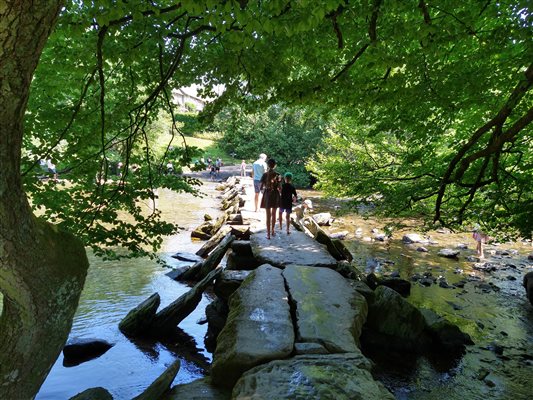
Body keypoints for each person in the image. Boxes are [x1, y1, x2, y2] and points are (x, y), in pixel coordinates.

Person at [260, 158, 281, 239]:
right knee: (274, 214)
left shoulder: (265, 175)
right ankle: (272, 231)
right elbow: (279, 188)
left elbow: (261, 187)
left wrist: (265, 187)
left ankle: (268, 234)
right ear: (275, 165)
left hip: (267, 195)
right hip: (275, 195)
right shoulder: (278, 175)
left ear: (268, 165)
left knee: (268, 215)